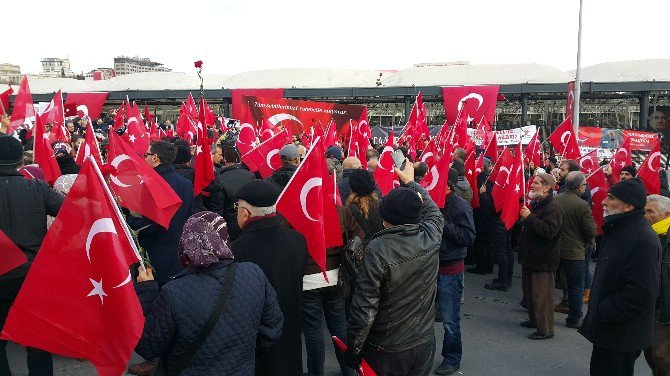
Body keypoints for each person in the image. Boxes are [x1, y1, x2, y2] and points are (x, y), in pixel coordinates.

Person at [134, 211, 283, 375]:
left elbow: (148, 346)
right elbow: (273, 328)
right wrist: (243, 355)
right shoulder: (254, 274)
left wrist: (146, 290)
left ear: (187, 243)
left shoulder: (174, 292)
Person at [344, 160, 445, 375]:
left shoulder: (377, 249)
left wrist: (353, 349)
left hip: (387, 348)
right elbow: (433, 209)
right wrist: (410, 183)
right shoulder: (431, 235)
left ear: (385, 217)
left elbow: (364, 309)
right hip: (424, 341)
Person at [580, 179, 661, 376]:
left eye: (611, 197)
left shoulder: (641, 239)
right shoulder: (619, 228)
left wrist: (604, 311)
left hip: (620, 332)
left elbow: (642, 292)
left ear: (628, 206)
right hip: (610, 329)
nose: (604, 201)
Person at [0, 135, 64, 376]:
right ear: (20, 161)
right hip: (33, 275)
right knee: (38, 341)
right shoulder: (37, 187)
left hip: (2, 275)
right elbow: (70, 213)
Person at [231, 180, 308, 376]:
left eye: (237, 207)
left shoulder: (235, 250)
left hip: (256, 335)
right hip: (291, 326)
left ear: (246, 213)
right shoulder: (297, 239)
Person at [302, 202, 363, 376]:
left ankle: (316, 372)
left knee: (313, 330)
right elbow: (359, 233)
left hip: (308, 279)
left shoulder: (298, 209)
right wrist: (347, 251)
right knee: (339, 326)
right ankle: (349, 371)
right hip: (335, 276)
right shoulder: (340, 210)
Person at [126, 141, 194, 285]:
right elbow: (188, 217)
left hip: (155, 257)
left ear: (155, 158)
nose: (144, 158)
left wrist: (128, 219)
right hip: (179, 253)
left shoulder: (151, 185)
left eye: (147, 155)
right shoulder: (186, 184)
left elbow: (149, 227)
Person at [435, 168, 476, 375]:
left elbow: (468, 237)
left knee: (450, 320)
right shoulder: (430, 204)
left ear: (447, 185)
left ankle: (452, 358)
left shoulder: (460, 205)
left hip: (450, 270)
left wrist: (444, 225)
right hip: (430, 268)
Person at [518, 172, 564, 340]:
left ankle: (545, 329)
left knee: (541, 296)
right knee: (530, 292)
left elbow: (549, 231)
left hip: (543, 259)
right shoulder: (540, 203)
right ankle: (534, 320)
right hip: (532, 257)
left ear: (547, 188)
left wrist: (529, 217)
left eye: (536, 183)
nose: (532, 185)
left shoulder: (553, 206)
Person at [553, 171, 597, 329]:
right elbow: (591, 230)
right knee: (576, 287)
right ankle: (574, 318)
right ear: (578, 187)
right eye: (584, 184)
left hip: (555, 248)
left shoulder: (555, 199)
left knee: (552, 281)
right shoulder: (582, 205)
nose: (586, 187)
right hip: (575, 251)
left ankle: (544, 311)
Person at [644, 194, 670, 375]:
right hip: (649, 307)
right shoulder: (647, 236)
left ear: (666, 214)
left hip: (664, 311)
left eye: (650, 211)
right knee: (651, 354)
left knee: (661, 356)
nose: (645, 215)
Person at [219, 146, 256, 240]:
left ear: (224, 159)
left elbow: (218, 209)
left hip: (229, 230)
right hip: (249, 225)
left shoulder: (220, 179)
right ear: (240, 159)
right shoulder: (251, 176)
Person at [345, 169, 384, 244]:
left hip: (362, 253)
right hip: (382, 251)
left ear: (351, 186)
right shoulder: (383, 205)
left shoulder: (348, 210)